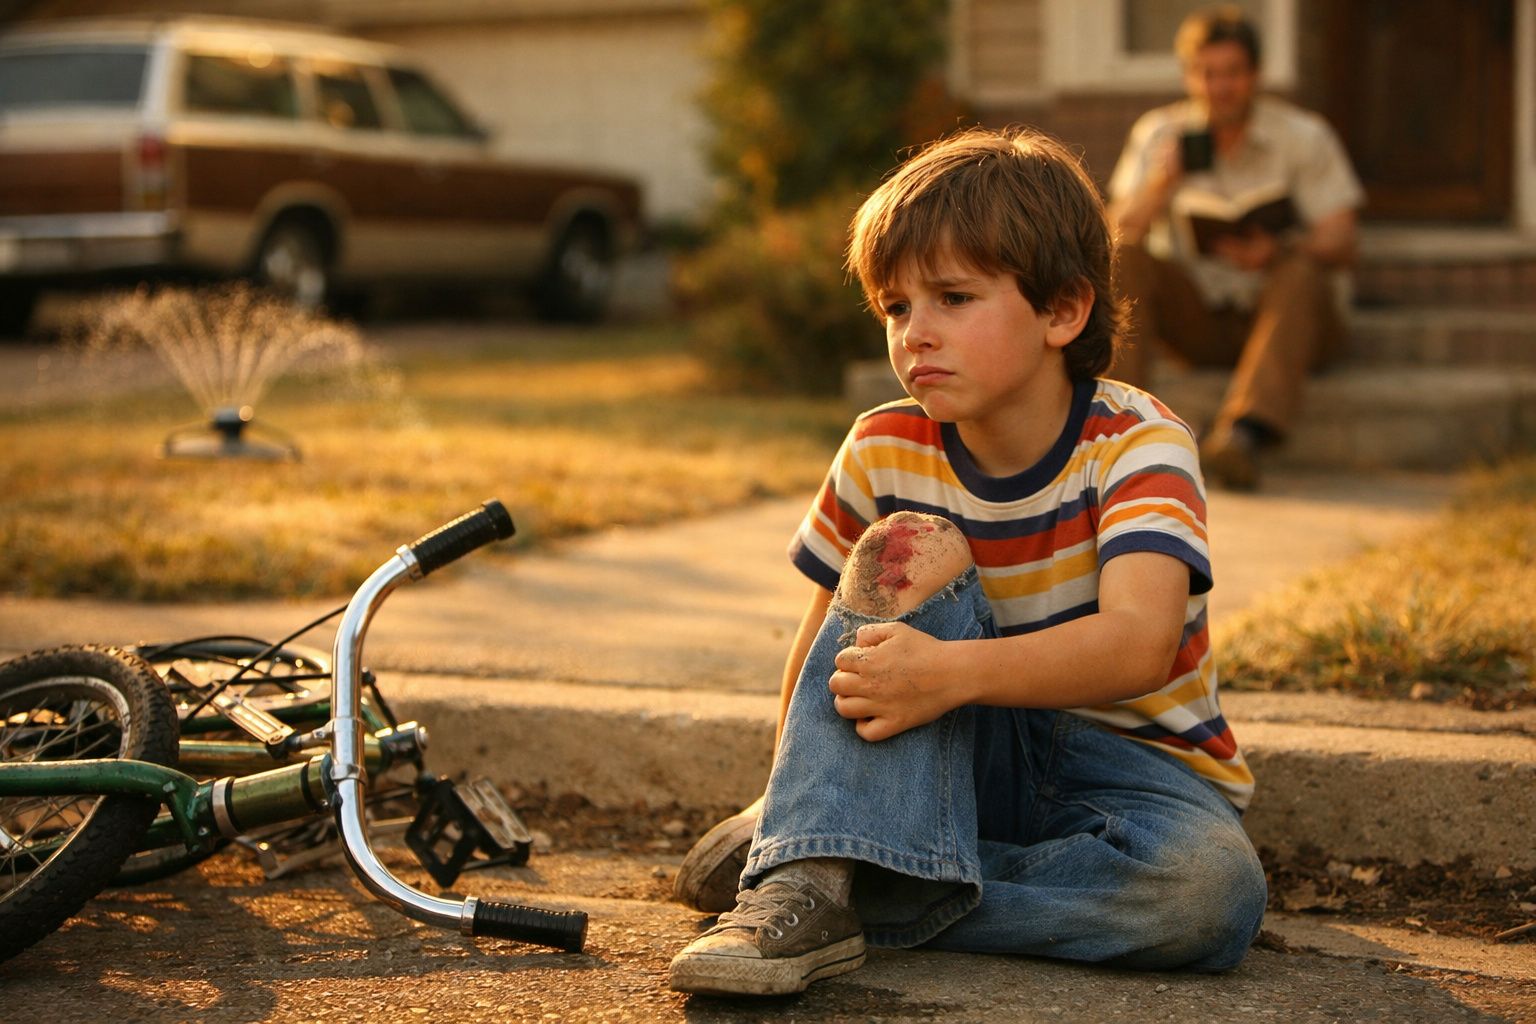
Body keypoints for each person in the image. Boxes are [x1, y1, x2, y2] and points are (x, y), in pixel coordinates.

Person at [667, 126, 1266, 998]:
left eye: (952, 297)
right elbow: (820, 658)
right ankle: (810, 870)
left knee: (1209, 896)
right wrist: (797, 794)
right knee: (915, 545)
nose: (916, 334)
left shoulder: (1139, 444)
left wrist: (950, 673)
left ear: (1063, 310)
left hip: (1133, 769)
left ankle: (871, 881)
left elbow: (1139, 646)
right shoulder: (882, 445)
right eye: (896, 308)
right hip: (955, 747)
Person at [1107, 4, 1364, 491]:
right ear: (1188, 76)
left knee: (1302, 268)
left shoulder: (1303, 136)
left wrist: (1282, 248)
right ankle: (1122, 429)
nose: (1220, 87)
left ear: (1256, 75)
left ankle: (1242, 437)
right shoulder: (1159, 133)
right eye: (1207, 74)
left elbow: (1345, 238)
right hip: (1201, 320)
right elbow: (1113, 232)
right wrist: (1163, 184)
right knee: (1127, 257)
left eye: (1233, 73)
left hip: (1287, 320)